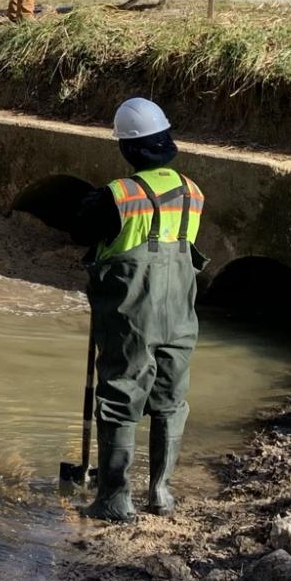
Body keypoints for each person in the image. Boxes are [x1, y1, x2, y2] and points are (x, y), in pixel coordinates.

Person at [69, 97, 205, 521]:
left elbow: (81, 230)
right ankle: (161, 493)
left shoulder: (117, 196)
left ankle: (114, 499)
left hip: (132, 316)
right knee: (170, 399)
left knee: (119, 397)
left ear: (128, 149)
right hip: (181, 314)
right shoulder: (193, 192)